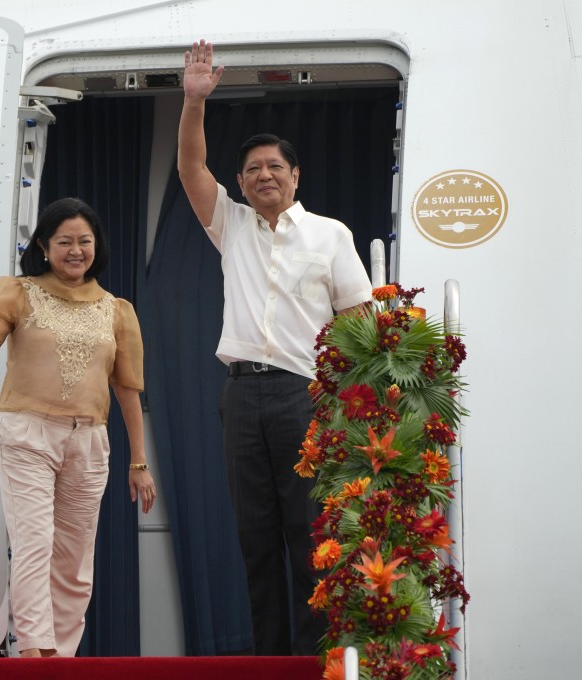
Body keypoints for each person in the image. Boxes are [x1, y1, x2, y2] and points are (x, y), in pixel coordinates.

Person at [177, 40, 372, 655]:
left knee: (308, 529)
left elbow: (358, 319)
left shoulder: (329, 234)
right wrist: (193, 101)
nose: (265, 175)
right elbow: (189, 168)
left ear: (295, 176)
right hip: (242, 395)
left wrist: (349, 403)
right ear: (240, 181)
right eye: (253, 169)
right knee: (254, 533)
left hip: (303, 395)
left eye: (275, 167)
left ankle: (317, 656)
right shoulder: (230, 224)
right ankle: (269, 659)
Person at [0, 197, 155, 658]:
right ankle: (34, 654)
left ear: (97, 246)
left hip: (90, 439)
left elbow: (129, 390)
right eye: (65, 241)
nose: (76, 250)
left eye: (84, 241)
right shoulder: (17, 291)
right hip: (27, 432)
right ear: (44, 246)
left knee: (75, 559)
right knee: (34, 542)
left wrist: (139, 461)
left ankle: (62, 657)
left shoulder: (118, 310)